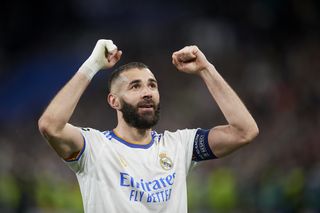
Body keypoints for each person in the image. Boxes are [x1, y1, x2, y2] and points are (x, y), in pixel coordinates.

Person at [38, 39, 259, 213]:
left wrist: (206, 69)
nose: (147, 92)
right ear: (114, 101)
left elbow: (244, 131)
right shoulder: (93, 148)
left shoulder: (180, 146)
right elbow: (50, 126)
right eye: (135, 86)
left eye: (152, 85)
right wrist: (91, 66)